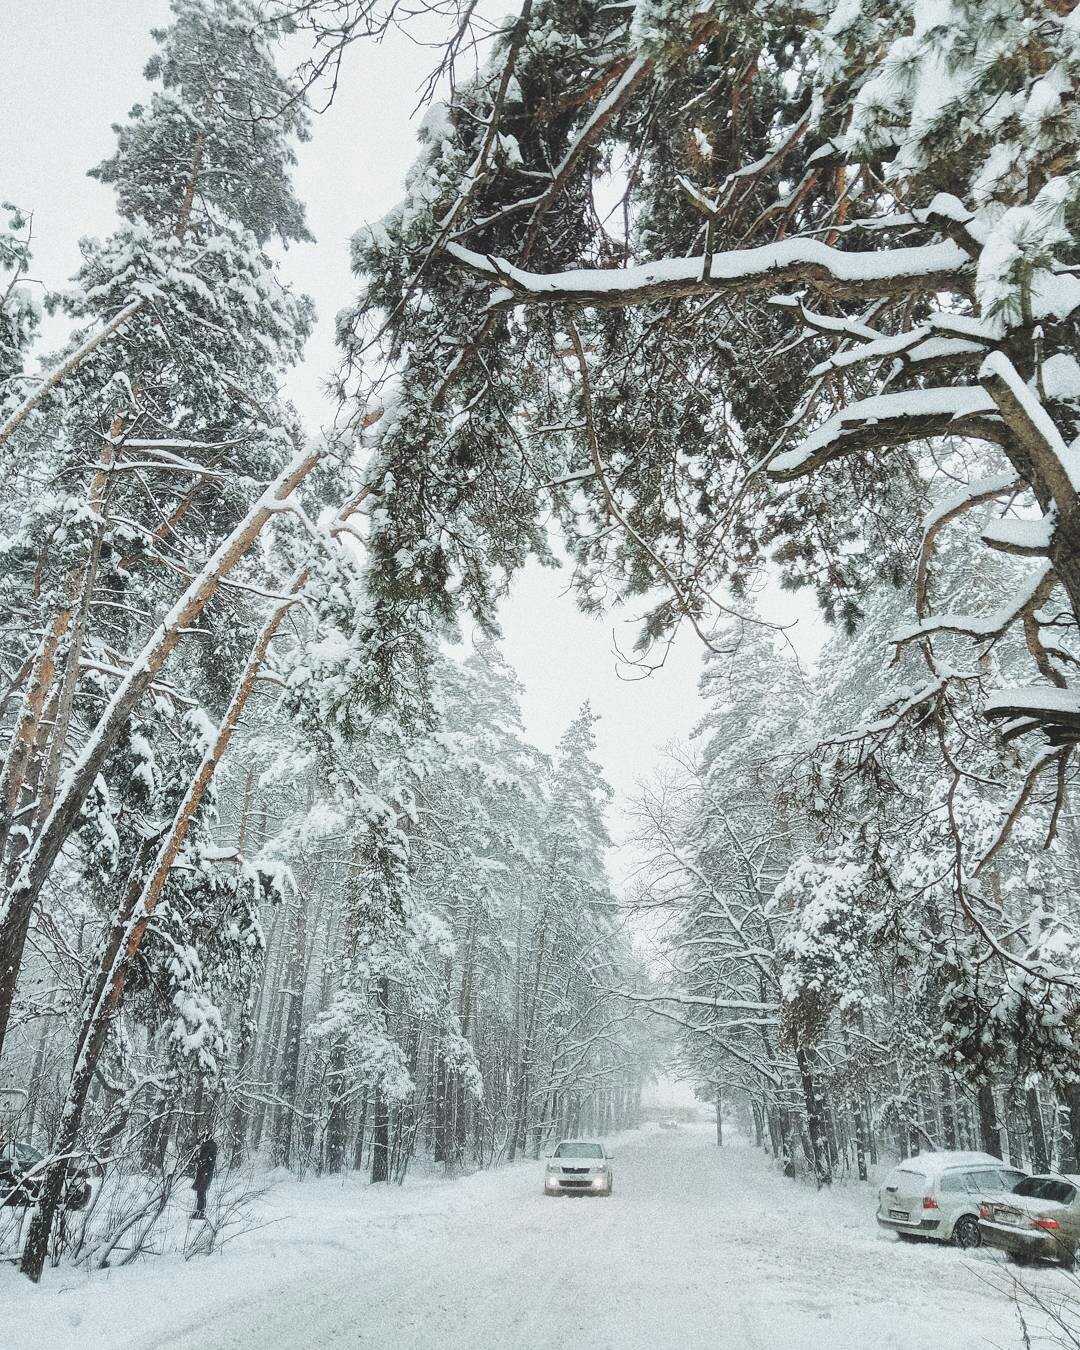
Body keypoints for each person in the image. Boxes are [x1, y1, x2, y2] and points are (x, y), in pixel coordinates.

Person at [192, 1134, 218, 1220]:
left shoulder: (208, 1146)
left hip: (204, 1172)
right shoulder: (211, 1146)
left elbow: (203, 1159)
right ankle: (200, 1211)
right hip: (206, 1172)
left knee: (201, 1192)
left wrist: (196, 1159)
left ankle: (200, 1212)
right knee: (201, 1192)